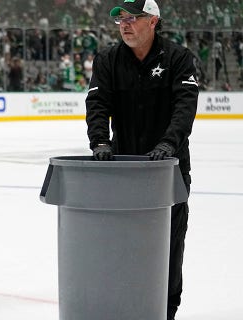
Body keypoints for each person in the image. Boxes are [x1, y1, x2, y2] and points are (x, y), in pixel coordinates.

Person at [85, 1, 198, 319]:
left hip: (169, 170)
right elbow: (97, 103)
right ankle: (126, 306)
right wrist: (100, 142)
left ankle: (166, 310)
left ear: (154, 21)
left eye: (133, 18)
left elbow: (184, 107)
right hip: (124, 169)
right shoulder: (107, 59)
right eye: (121, 18)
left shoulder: (178, 58)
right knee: (123, 243)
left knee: (170, 244)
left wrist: (168, 145)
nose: (125, 24)